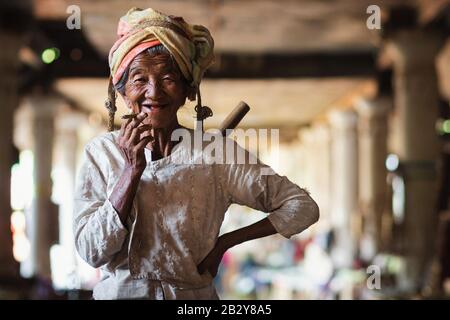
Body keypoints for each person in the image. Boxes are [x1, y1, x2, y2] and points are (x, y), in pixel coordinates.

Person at [73, 7, 319, 300]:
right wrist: (131, 171)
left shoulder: (216, 155)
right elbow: (91, 252)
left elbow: (301, 207)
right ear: (124, 94)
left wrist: (225, 242)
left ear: (188, 90)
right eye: (139, 80)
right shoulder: (100, 154)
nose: (154, 91)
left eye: (168, 78)